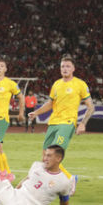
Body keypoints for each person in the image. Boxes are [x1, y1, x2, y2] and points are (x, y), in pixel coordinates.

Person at [28, 55, 94, 196]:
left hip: (67, 123)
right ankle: (52, 184)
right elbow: (50, 104)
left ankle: (69, 180)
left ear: (73, 69)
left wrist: (83, 124)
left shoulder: (80, 84)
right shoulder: (57, 84)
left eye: (68, 66)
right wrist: (36, 112)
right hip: (53, 123)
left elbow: (91, 107)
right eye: (62, 66)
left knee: (53, 154)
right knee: (45, 156)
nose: (65, 69)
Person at [0, 58, 24, 181]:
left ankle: (2, 172)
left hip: (1, 120)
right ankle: (8, 173)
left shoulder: (10, 83)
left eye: (2, 66)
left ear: (5, 69)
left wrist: (21, 113)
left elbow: (21, 97)